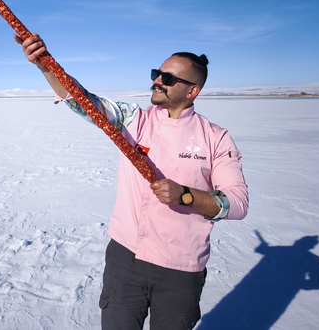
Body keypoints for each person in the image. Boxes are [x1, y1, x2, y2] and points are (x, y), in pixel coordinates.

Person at [16, 33, 249, 330]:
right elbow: (83, 101)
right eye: (156, 74)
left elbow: (237, 203)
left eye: (168, 78)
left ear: (193, 91)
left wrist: (185, 196)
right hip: (126, 258)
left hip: (180, 268)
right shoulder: (133, 119)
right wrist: (45, 65)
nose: (157, 81)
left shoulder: (215, 138)